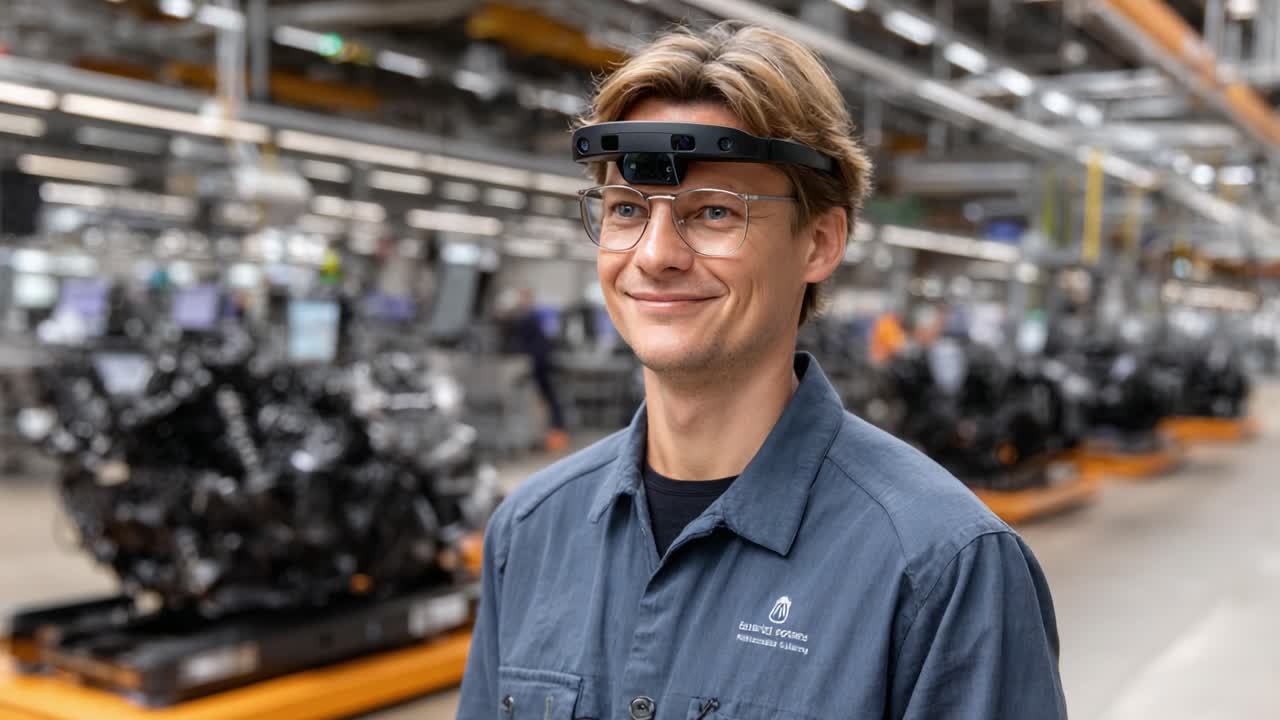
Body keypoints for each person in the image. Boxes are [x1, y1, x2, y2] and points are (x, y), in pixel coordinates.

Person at [459, 23, 1066, 720]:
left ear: (819, 242)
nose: (655, 254)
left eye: (715, 212)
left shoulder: (944, 571)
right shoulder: (531, 532)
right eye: (627, 209)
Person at [498, 287, 570, 452]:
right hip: (537, 363)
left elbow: (515, 334)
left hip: (538, 364)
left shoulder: (528, 317)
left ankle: (555, 433)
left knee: (546, 398)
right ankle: (552, 432)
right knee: (545, 399)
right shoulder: (530, 317)